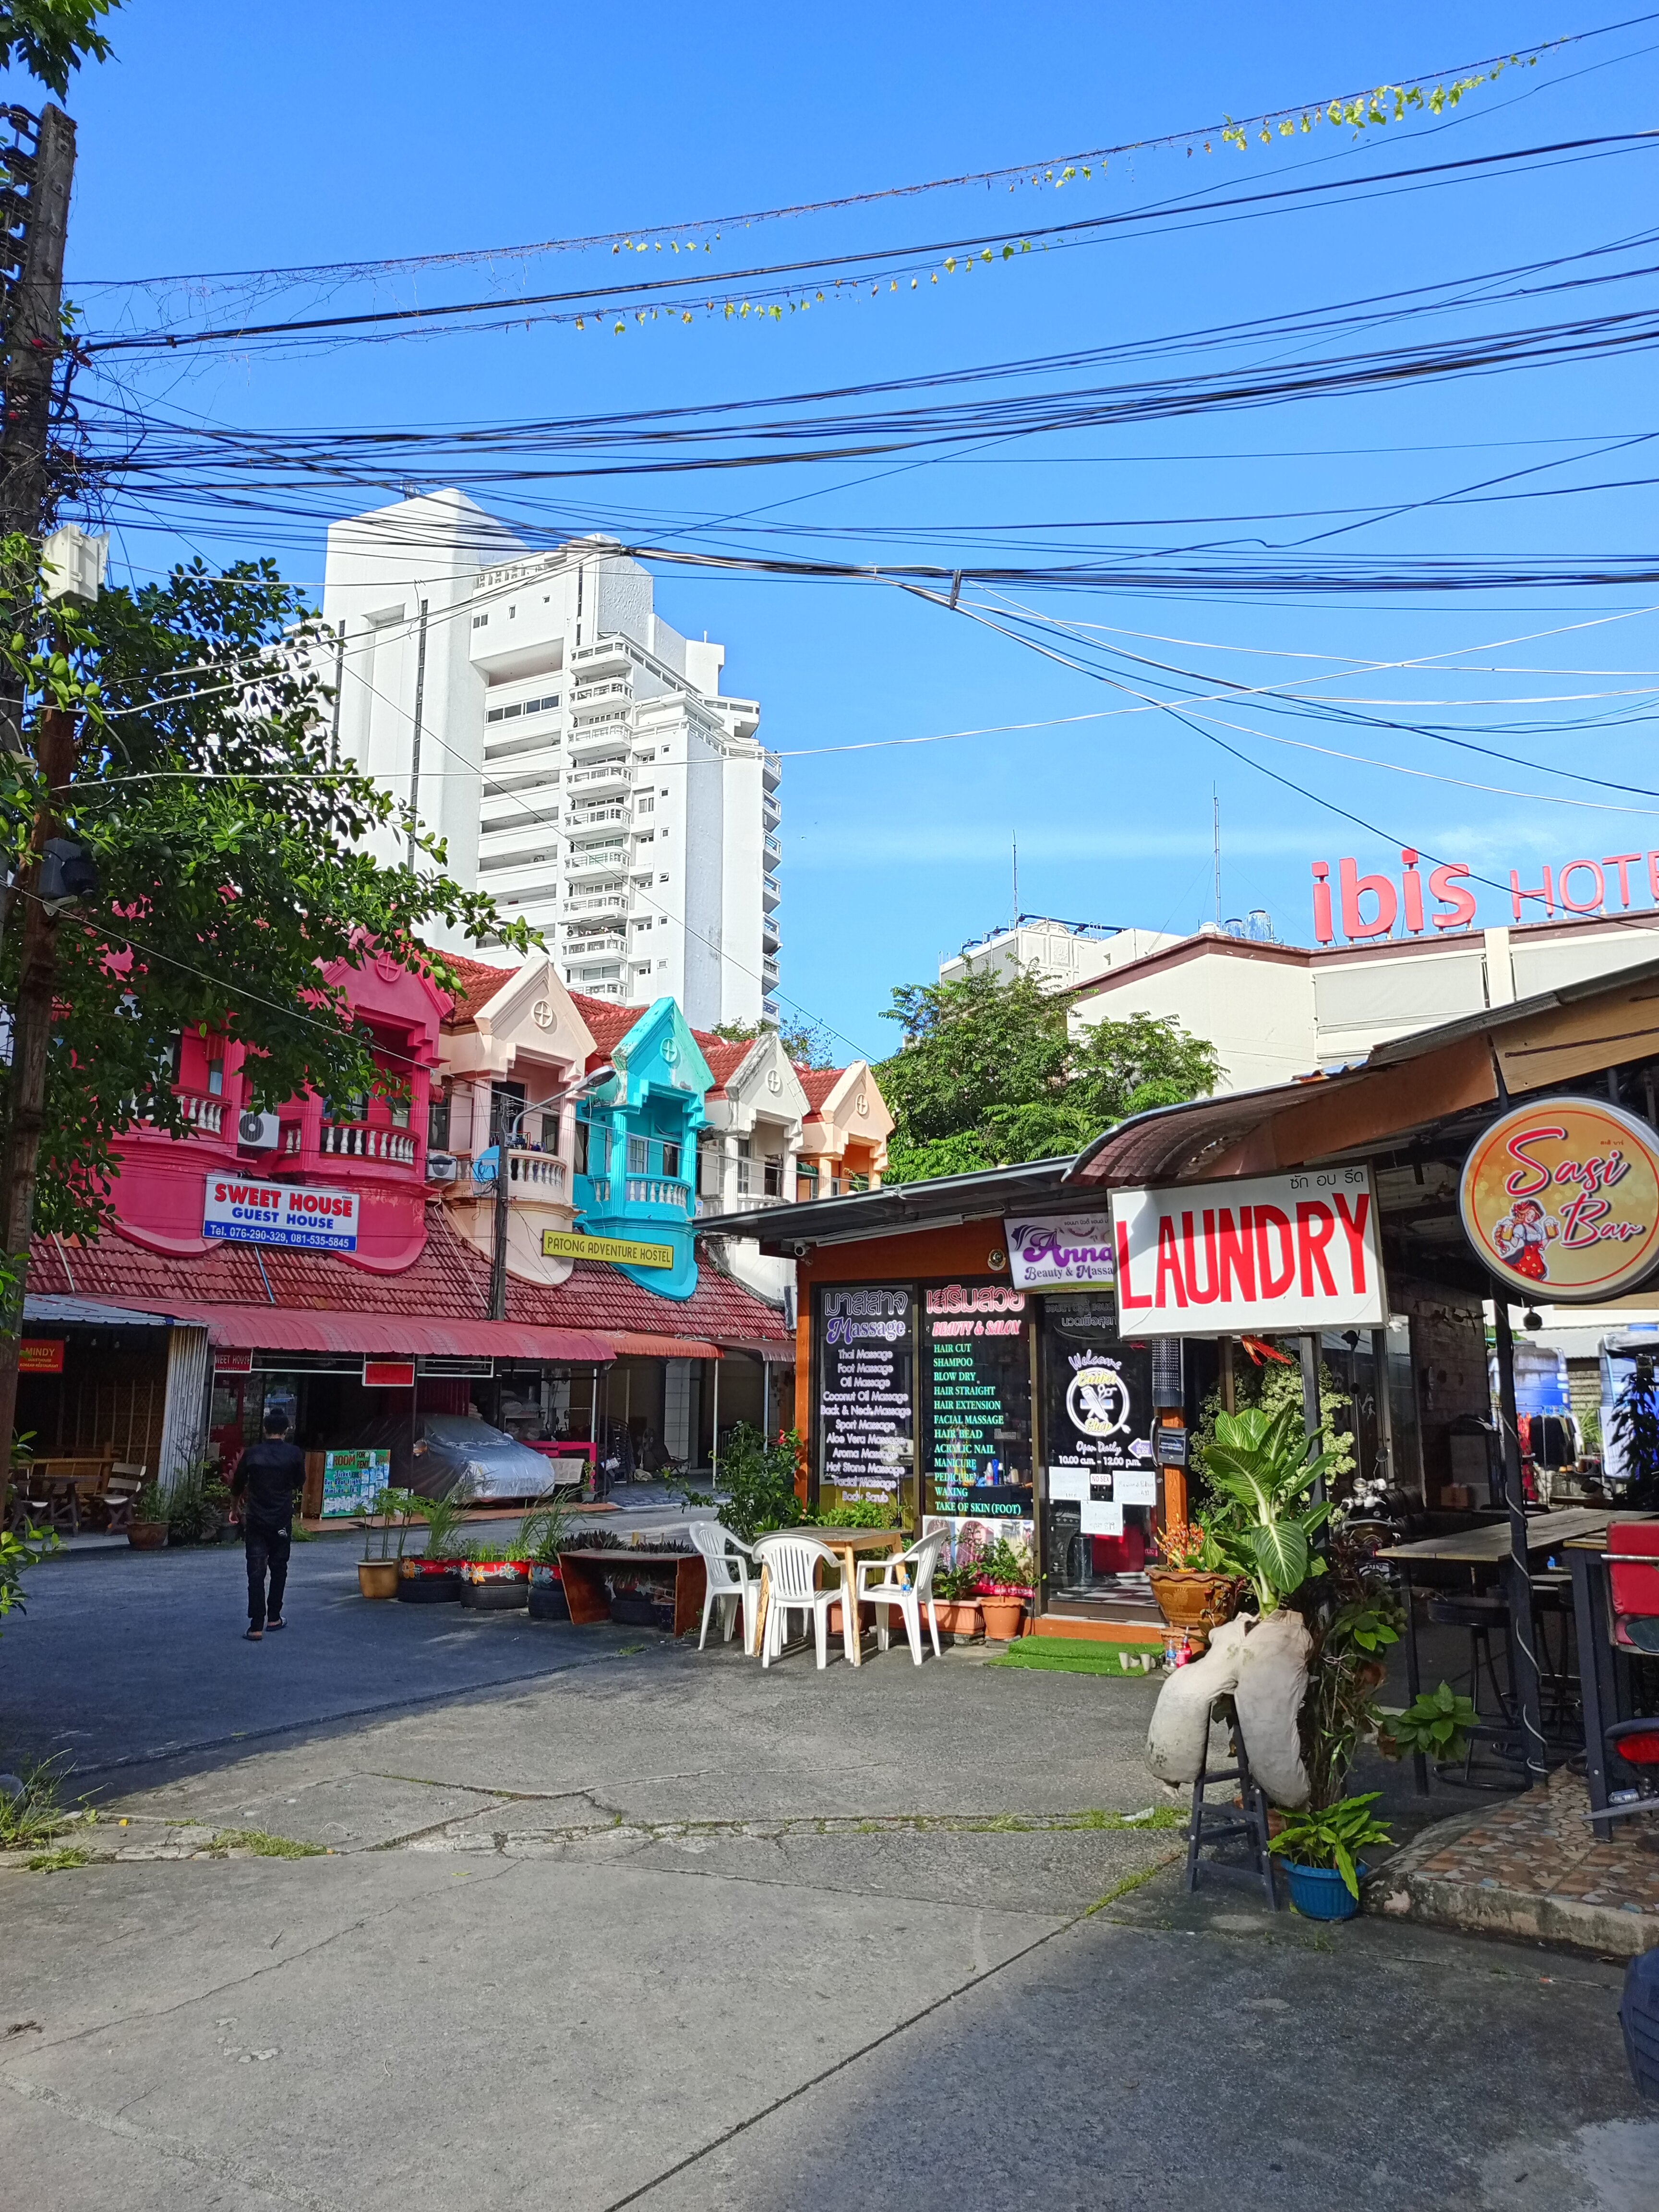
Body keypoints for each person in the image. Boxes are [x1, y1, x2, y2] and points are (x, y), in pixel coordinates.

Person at [229, 1410, 308, 1641]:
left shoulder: (253, 1453)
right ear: (286, 1430)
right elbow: (299, 1482)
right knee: (279, 1567)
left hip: (256, 1519)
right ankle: (274, 1617)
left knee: (256, 1571)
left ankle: (256, 1626)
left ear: (265, 1429)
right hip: (281, 1518)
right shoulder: (294, 1454)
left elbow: (237, 1485)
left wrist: (235, 1509)